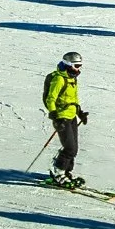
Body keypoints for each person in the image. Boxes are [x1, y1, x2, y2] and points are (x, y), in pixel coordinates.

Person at [40, 52, 88, 187]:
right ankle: (57, 171)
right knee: (70, 148)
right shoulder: (59, 79)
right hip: (62, 117)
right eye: (77, 65)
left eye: (80, 65)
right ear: (68, 64)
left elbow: (73, 99)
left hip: (71, 115)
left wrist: (80, 113)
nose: (79, 68)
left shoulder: (72, 78)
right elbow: (51, 98)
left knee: (74, 148)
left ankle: (66, 172)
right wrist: (55, 115)